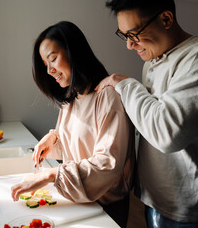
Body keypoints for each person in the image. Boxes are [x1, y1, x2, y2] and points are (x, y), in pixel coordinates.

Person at [95, 0, 198, 227]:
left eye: (134, 33)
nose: (129, 45)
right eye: (124, 34)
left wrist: (126, 85)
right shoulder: (152, 62)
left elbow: (167, 134)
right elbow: (147, 118)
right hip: (155, 199)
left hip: (188, 208)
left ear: (166, 19)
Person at [11, 21, 135, 228]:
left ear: (74, 52)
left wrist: (51, 174)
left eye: (53, 59)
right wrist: (53, 139)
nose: (49, 70)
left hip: (106, 208)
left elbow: (107, 165)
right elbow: (77, 142)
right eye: (45, 65)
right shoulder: (72, 98)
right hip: (80, 202)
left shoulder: (108, 97)